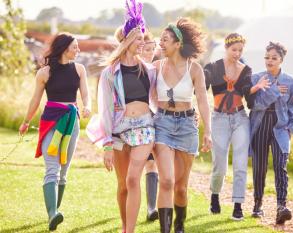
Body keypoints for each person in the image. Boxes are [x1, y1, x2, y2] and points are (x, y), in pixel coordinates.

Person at [86, 1, 157, 232]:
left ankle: (130, 231)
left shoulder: (149, 70)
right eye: (138, 39)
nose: (143, 44)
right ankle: (125, 225)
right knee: (122, 185)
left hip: (144, 127)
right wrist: (107, 144)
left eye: (144, 39)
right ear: (127, 40)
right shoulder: (110, 72)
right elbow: (105, 108)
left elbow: (162, 97)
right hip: (118, 128)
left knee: (133, 179)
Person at [18, 32, 91, 231]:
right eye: (75, 46)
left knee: (64, 170)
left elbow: (85, 92)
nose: (78, 50)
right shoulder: (44, 72)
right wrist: (25, 121)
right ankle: (53, 214)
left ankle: (54, 213)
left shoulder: (79, 69)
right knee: (53, 168)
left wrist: (88, 106)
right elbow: (35, 100)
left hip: (72, 123)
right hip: (51, 122)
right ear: (64, 47)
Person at [153, 17, 212, 233]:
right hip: (162, 125)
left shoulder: (194, 69)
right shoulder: (156, 66)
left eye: (165, 39)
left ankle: (179, 225)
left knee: (181, 187)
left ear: (178, 44)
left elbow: (203, 101)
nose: (161, 42)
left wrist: (208, 131)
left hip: (187, 126)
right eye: (160, 39)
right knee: (166, 181)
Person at [204, 33, 270, 220]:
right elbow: (200, 88)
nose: (237, 53)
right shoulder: (213, 67)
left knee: (240, 165)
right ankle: (215, 195)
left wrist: (255, 89)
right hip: (219, 119)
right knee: (220, 165)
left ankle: (238, 205)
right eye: (234, 50)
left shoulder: (246, 70)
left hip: (240, 118)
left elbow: (247, 97)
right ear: (226, 48)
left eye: (240, 50)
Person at [250, 42, 293, 224]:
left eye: (274, 58)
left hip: (281, 127)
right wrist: (274, 91)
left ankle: (281, 207)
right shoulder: (256, 79)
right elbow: (255, 104)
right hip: (260, 124)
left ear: (281, 60)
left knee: (281, 166)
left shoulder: (291, 82)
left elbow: (292, 107)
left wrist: (292, 127)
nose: (269, 61)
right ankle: (257, 205)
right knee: (260, 166)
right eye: (267, 57)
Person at [140, 31, 159, 221]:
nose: (151, 53)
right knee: (132, 169)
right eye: (147, 49)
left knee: (152, 162)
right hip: (132, 121)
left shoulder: (157, 69)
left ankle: (151, 208)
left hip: (154, 119)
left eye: (153, 49)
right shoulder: (130, 69)